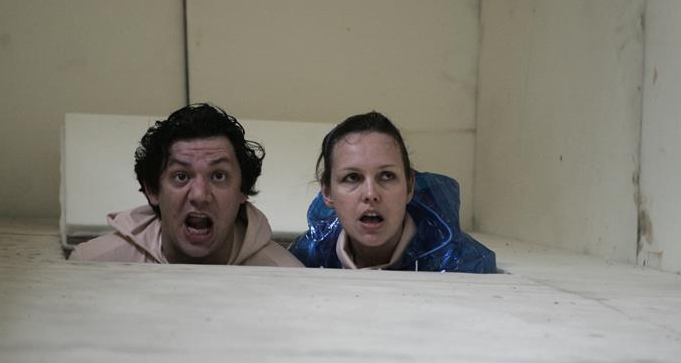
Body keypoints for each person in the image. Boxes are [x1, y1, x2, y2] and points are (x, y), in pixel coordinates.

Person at [69, 103, 303, 267]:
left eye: (218, 176)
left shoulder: (287, 278)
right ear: (153, 190)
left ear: (242, 190)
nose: (200, 195)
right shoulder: (91, 266)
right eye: (181, 176)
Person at [288, 111, 496, 272]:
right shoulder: (306, 259)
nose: (370, 194)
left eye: (387, 176)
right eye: (352, 177)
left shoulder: (463, 265)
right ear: (327, 193)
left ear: (409, 187)